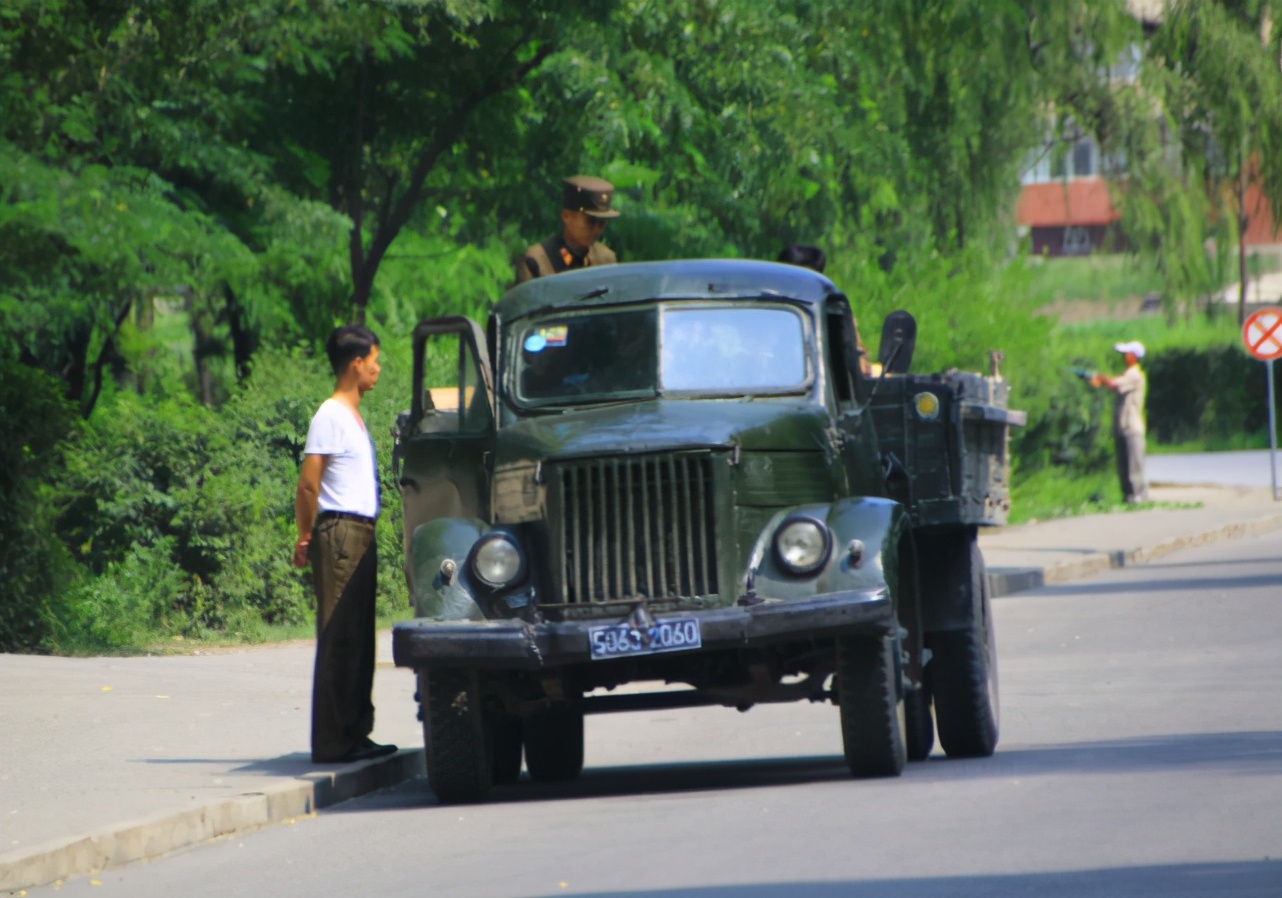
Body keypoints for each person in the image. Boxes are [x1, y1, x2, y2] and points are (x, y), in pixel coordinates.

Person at [293, 324, 397, 764]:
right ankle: (333, 742)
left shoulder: (352, 415)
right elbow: (308, 484)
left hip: (360, 532)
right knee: (339, 637)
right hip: (338, 533)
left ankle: (356, 733)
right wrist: (304, 535)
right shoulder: (330, 414)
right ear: (356, 364)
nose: (377, 368)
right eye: (374, 361)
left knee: (359, 639)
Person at [515, 175, 621, 283]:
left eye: (602, 223)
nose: (597, 229)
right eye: (591, 221)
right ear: (567, 216)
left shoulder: (606, 260)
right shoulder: (536, 260)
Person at [1091, 340, 1150, 504]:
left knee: (1134, 466)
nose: (1123, 357)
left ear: (1133, 357)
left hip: (1132, 427)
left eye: (1126, 354)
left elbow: (1113, 384)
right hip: (1122, 426)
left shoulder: (1135, 375)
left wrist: (1100, 378)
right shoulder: (1127, 374)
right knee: (1123, 465)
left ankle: (1138, 497)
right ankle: (1128, 497)